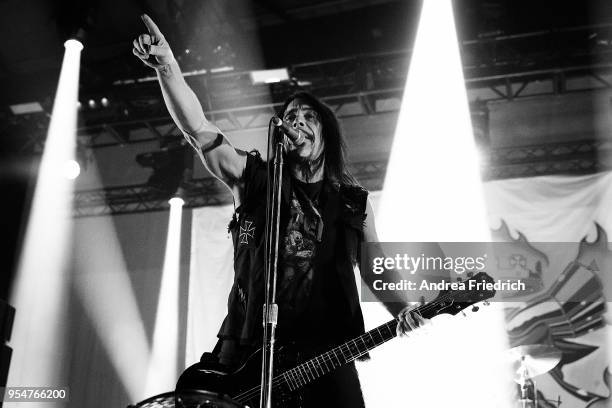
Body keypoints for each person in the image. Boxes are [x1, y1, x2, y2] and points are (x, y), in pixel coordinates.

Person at [132, 14, 424, 408]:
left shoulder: (354, 202)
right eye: (290, 117)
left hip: (325, 355)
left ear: (327, 134)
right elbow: (198, 130)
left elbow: (378, 268)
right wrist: (168, 67)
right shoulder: (255, 180)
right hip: (250, 350)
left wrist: (403, 308)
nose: (297, 122)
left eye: (308, 117)